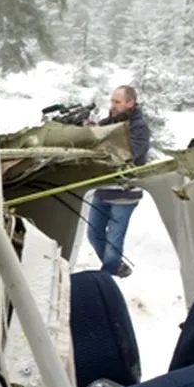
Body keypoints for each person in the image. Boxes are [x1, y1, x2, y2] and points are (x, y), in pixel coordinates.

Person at [85, 85, 150, 278]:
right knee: (93, 234)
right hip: (104, 189)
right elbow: (94, 140)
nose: (112, 105)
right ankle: (115, 267)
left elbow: (130, 154)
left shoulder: (140, 128)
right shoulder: (108, 122)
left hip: (125, 194)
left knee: (114, 242)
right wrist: (89, 132)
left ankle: (107, 279)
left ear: (130, 103)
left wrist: (103, 144)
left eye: (117, 102)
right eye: (112, 101)